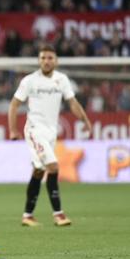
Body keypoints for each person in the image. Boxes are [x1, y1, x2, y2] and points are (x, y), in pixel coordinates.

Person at [8, 44, 92, 227]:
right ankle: (59, 214)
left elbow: (72, 102)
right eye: (43, 58)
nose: (46, 61)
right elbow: (14, 104)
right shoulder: (30, 81)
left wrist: (85, 119)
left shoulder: (62, 80)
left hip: (51, 132)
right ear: (39, 60)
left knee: (39, 171)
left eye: (50, 58)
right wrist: (13, 129)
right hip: (34, 130)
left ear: (56, 60)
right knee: (53, 167)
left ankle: (27, 215)